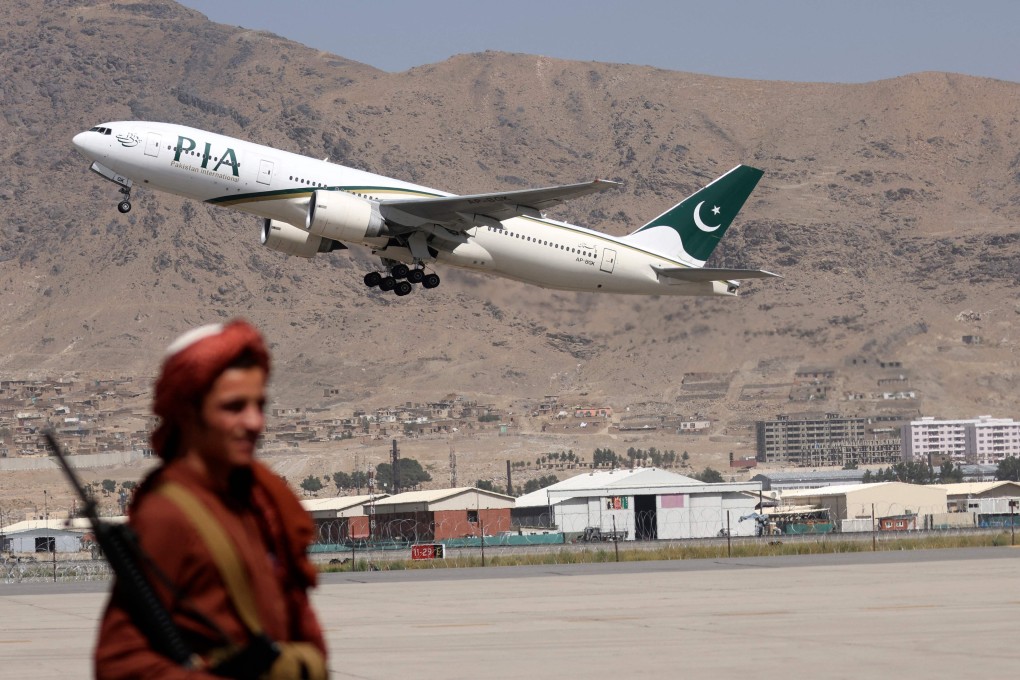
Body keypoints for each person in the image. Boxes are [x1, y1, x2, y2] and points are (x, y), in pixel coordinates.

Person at [95, 320, 327, 679]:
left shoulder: (258, 502)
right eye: (234, 407)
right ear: (188, 413)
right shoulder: (168, 514)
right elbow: (120, 661)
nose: (254, 422)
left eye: (259, 405)